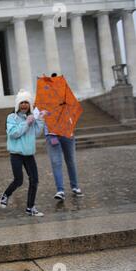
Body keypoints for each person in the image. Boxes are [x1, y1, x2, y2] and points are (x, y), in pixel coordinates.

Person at [0, 89, 47, 217]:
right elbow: (14, 133)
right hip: (16, 153)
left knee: (34, 180)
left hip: (29, 153)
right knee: (19, 180)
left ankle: (30, 207)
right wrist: (26, 123)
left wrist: (40, 120)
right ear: (17, 104)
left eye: (26, 102)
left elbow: (37, 133)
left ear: (30, 104)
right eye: (22, 102)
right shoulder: (11, 117)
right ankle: (6, 195)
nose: (24, 105)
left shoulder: (31, 117)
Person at [45, 73, 84, 201]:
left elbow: (74, 111)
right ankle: (60, 190)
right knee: (56, 162)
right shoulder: (45, 100)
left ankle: (75, 186)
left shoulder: (67, 98)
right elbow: (41, 117)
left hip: (68, 133)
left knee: (71, 160)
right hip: (53, 135)